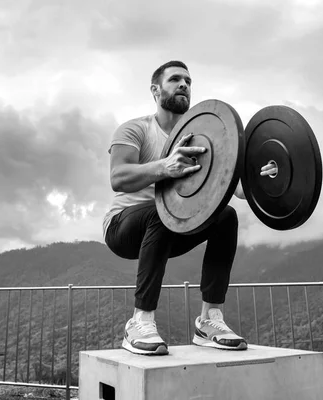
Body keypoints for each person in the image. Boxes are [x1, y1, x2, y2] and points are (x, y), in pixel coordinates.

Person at [102, 60, 277, 355]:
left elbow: (238, 191)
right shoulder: (136, 129)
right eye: (175, 80)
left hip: (170, 228)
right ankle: (139, 322)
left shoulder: (205, 139)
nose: (184, 84)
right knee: (159, 213)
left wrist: (263, 177)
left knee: (226, 216)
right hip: (123, 227)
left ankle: (209, 320)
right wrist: (165, 167)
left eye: (188, 80)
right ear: (156, 90)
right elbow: (118, 178)